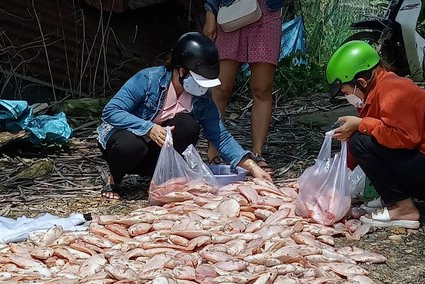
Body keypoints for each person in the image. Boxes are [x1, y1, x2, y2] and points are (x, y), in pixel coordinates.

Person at [96, 32, 272, 200]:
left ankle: (159, 175)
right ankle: (114, 179)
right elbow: (111, 111)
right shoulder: (148, 79)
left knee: (188, 126)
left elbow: (220, 136)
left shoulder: (201, 97)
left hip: (157, 147)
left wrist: (251, 166)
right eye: (199, 80)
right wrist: (148, 128)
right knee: (131, 145)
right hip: (125, 141)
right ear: (181, 71)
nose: (202, 88)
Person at [326, 41, 425, 229]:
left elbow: (404, 138)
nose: (347, 97)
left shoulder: (393, 91)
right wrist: (332, 179)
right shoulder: (375, 92)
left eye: (346, 91)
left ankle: (404, 208)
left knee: (361, 141)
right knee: (360, 139)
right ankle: (393, 198)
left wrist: (361, 124)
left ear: (361, 82)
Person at [202, 0, 285, 174]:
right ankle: (213, 153)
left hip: (267, 12)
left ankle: (257, 153)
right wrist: (210, 13)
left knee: (262, 89)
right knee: (220, 88)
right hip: (230, 11)